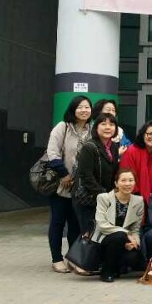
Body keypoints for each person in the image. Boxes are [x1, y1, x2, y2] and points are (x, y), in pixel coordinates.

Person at [45, 95, 90, 273]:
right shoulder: (62, 127)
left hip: (81, 187)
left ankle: (73, 258)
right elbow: (52, 153)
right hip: (61, 185)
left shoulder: (91, 130)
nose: (84, 110)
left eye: (87, 107)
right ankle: (56, 259)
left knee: (75, 224)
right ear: (73, 109)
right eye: (80, 107)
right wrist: (64, 174)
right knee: (58, 222)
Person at [91, 169, 144, 282]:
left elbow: (135, 228)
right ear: (116, 183)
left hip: (123, 242)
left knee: (135, 257)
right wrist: (126, 234)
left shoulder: (139, 201)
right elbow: (102, 225)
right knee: (119, 236)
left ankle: (116, 268)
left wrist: (134, 243)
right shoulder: (103, 198)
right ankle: (106, 271)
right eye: (123, 180)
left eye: (131, 180)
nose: (127, 184)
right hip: (102, 240)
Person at [74, 113, 120, 236]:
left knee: (104, 235)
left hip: (105, 199)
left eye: (111, 124)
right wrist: (103, 193)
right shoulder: (89, 147)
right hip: (89, 199)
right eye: (103, 124)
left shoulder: (114, 147)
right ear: (96, 127)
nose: (108, 127)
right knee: (90, 236)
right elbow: (86, 175)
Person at [119, 120, 152, 206]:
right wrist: (136, 195)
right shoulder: (131, 151)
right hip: (132, 194)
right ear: (143, 134)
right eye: (150, 134)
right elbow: (126, 174)